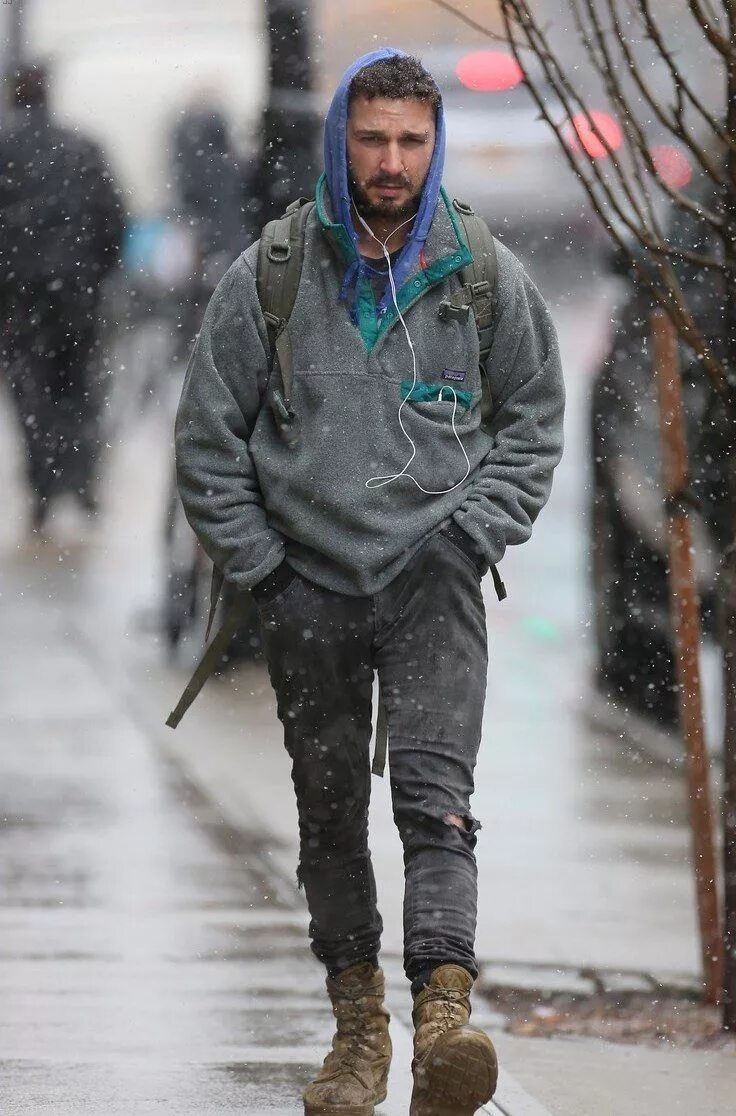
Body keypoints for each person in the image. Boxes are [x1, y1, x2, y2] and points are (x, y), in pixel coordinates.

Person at [174, 50, 564, 1116]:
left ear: (433, 146)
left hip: (434, 584)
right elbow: (208, 443)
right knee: (329, 813)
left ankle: (444, 1021)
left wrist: (470, 535)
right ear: (340, 139)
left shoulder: (481, 270)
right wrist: (266, 571)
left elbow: (532, 424)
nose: (391, 162)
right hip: (311, 592)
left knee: (436, 810)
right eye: (372, 139)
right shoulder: (275, 271)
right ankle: (358, 1036)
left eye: (410, 141)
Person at [0, 64, 124, 533]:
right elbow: (113, 217)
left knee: (31, 390)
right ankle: (80, 478)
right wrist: (94, 273)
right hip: (78, 292)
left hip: (20, 296)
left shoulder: (5, 150)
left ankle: (41, 487)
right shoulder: (81, 147)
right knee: (80, 385)